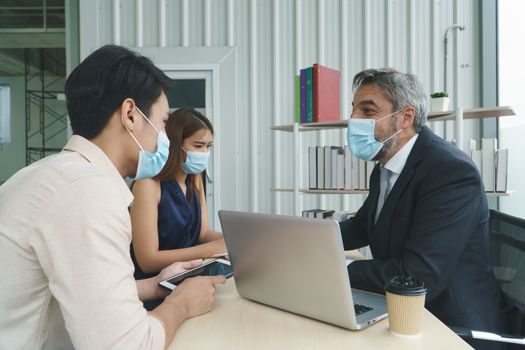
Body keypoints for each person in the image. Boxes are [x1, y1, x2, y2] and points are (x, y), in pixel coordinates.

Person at [0, 45, 225, 350]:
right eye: (162, 124)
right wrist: (182, 303)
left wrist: (155, 285)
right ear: (130, 114)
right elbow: (127, 345)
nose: (164, 139)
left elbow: (86, 290)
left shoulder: (55, 175)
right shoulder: (86, 193)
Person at [341, 68, 506, 350]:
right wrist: (301, 241)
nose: (353, 119)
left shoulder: (450, 172)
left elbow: (418, 274)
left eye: (367, 111)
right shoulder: (386, 164)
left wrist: (336, 270)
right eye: (354, 109)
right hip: (403, 310)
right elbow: (361, 227)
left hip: (451, 325)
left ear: (405, 117)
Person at [131, 108, 227, 282]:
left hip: (190, 279)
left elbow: (203, 234)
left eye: (208, 146)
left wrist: (236, 240)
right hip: (155, 287)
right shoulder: (147, 186)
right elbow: (147, 261)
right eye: (198, 145)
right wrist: (212, 249)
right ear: (176, 144)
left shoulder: (195, 179)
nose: (205, 152)